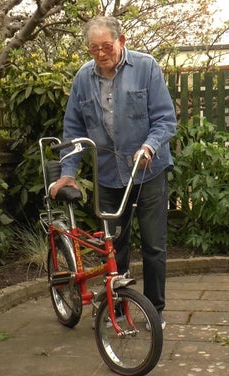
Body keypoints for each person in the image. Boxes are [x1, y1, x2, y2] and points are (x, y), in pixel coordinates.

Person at [50, 16, 177, 329]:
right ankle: (117, 309)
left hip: (147, 171)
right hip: (108, 175)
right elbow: (74, 128)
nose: (101, 53)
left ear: (122, 41)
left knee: (153, 246)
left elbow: (165, 120)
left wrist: (148, 147)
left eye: (106, 46)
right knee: (114, 247)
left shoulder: (146, 68)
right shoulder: (82, 78)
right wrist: (68, 171)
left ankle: (155, 312)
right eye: (94, 48)